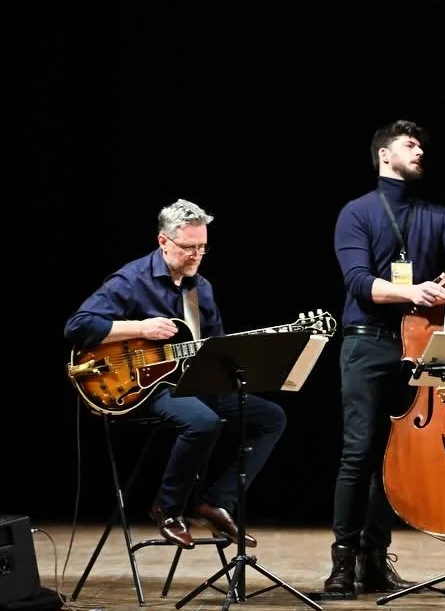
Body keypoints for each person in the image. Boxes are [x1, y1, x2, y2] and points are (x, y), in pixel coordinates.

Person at [325, 119, 445, 597]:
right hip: (367, 343)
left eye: (421, 145)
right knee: (358, 453)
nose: (420, 151)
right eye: (409, 145)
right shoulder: (357, 213)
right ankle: (342, 561)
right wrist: (412, 291)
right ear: (384, 154)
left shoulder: (437, 214)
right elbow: (358, 281)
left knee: (395, 456)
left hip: (418, 344)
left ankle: (375, 558)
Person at [63, 198, 288, 550]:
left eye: (202, 247)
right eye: (188, 247)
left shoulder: (201, 289)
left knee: (270, 417)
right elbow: (77, 327)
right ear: (163, 241)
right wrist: (141, 328)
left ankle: (216, 503)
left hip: (184, 381)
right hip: (135, 386)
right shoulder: (131, 280)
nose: (197, 255)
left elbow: (214, 347)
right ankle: (168, 509)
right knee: (202, 421)